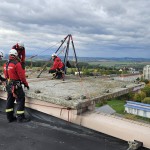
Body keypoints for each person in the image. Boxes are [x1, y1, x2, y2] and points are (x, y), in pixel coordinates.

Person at [3, 49, 30, 123]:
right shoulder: (17, 64)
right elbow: (22, 77)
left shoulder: (6, 64)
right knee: (21, 99)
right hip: (16, 86)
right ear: (16, 55)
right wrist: (26, 84)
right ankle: (20, 118)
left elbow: (6, 76)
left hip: (8, 85)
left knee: (10, 100)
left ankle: (10, 117)